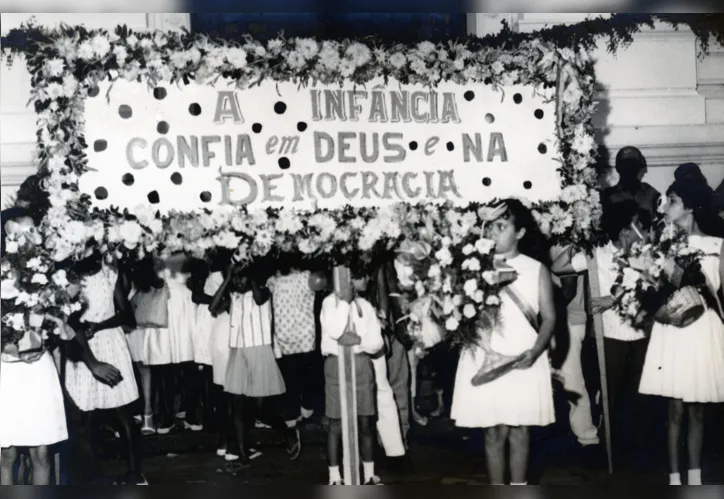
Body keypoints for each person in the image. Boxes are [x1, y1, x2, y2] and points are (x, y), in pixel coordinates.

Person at [451, 199, 556, 486]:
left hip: (523, 353)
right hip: (486, 352)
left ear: (520, 232)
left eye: (502, 226)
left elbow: (548, 317)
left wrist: (536, 351)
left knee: (520, 429)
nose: (493, 233)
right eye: (490, 227)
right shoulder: (473, 265)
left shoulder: (536, 269)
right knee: (493, 430)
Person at [554, 200, 653, 467]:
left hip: (641, 335)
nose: (642, 229)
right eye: (639, 225)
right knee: (612, 396)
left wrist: (612, 299)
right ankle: (611, 451)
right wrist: (577, 243)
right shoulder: (596, 253)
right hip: (610, 335)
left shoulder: (646, 254)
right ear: (625, 229)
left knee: (640, 397)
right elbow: (560, 268)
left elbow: (648, 287)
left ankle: (636, 453)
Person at [639, 178, 724, 485]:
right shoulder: (662, 247)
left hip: (703, 332)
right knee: (674, 411)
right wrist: (658, 311)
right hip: (674, 330)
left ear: (689, 207)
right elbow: (648, 291)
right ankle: (675, 480)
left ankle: (697, 480)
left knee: (698, 410)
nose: (665, 205)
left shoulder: (718, 246)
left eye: (672, 200)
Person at [64, 250, 146, 485]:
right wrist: (84, 329)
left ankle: (134, 473)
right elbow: (71, 319)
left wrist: (98, 326)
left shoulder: (110, 274)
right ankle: (91, 475)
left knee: (122, 412)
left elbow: (127, 314)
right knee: (86, 412)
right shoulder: (70, 278)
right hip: (81, 347)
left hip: (110, 342)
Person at [210, 258, 301, 468]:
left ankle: (287, 432)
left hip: (259, 351)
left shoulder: (263, 291)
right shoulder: (233, 297)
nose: (239, 282)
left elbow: (259, 299)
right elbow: (212, 308)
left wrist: (248, 277)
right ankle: (243, 455)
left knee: (260, 407)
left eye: (242, 277)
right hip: (237, 353)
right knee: (237, 407)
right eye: (236, 278)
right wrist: (227, 282)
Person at [0, 210, 68, 485]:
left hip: (38, 369)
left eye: (34, 231)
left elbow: (55, 319)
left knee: (41, 454)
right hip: (6, 371)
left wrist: (47, 332)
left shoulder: (48, 274)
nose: (32, 237)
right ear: (9, 233)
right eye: (25, 231)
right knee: (6, 455)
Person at [320, 271, 385, 485]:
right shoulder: (330, 303)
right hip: (335, 365)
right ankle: (335, 476)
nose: (367, 279)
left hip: (361, 363)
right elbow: (335, 330)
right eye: (361, 276)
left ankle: (369, 475)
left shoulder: (365, 306)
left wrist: (359, 340)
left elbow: (377, 343)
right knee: (336, 423)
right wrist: (345, 302)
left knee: (365, 421)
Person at [549, 245, 600, 448]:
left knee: (572, 382)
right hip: (555, 320)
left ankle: (588, 437)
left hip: (566, 320)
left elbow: (568, 290)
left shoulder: (565, 244)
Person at [267, 264, 318, 424]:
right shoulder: (274, 280)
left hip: (298, 333)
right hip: (291, 334)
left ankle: (300, 409)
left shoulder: (304, 276)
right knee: (295, 376)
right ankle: (295, 413)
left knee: (298, 375)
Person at [603, 146, 661, 226]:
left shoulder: (650, 192)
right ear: (618, 169)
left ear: (639, 168)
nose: (629, 170)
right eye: (625, 167)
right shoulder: (608, 195)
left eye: (633, 166)